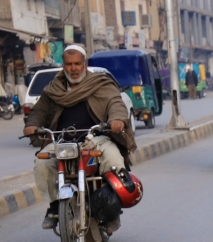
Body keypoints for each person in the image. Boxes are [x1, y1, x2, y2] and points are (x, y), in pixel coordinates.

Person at [23, 45, 135, 230]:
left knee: (114, 160)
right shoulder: (54, 89)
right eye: (69, 64)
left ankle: (111, 209)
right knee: (42, 164)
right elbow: (38, 111)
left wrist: (116, 119)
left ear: (85, 64)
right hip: (62, 141)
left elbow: (115, 103)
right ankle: (54, 206)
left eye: (77, 64)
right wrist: (32, 125)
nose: (73, 68)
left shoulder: (100, 83)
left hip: (95, 139)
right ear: (63, 66)